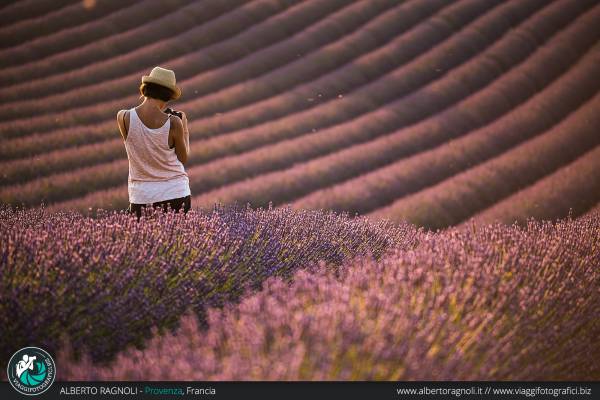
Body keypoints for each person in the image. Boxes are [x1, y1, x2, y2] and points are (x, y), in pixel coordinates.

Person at [116, 66, 191, 220]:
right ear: (168, 96)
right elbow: (183, 158)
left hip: (141, 197)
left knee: (143, 243)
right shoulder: (174, 122)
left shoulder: (123, 117)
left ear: (146, 89)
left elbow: (139, 147)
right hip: (175, 194)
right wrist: (184, 130)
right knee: (175, 242)